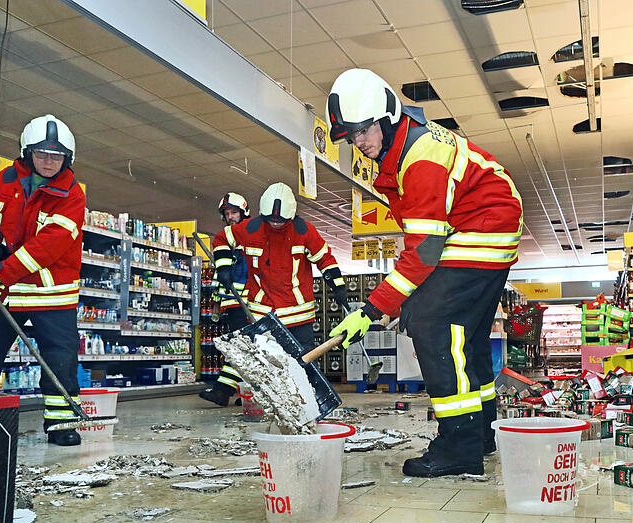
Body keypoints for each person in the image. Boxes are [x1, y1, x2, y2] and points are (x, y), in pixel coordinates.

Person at [326, 69, 523, 477]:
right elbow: (423, 240)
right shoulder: (403, 147)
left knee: (433, 323)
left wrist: (371, 308)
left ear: (386, 117)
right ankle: (481, 434)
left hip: (483, 229)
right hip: (482, 228)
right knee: (463, 337)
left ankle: (458, 448)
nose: (359, 143)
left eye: (363, 131)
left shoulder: (420, 159)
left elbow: (425, 252)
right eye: (351, 136)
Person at [0, 114, 86, 446]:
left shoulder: (72, 195)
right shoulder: (7, 179)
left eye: (57, 156)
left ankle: (62, 424)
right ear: (26, 152)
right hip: (3, 289)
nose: (49, 162)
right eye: (42, 154)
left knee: (59, 357)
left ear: (68, 158)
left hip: (49, 294)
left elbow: (47, 247)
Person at [211, 181, 348, 354]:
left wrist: (338, 286)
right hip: (263, 315)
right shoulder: (251, 228)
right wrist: (223, 267)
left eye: (280, 222)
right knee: (267, 368)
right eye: (271, 221)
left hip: (298, 317)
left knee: (303, 365)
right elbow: (222, 239)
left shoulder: (304, 231)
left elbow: (325, 259)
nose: (275, 224)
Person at [199, 192, 252, 407]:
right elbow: (221, 276)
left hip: (246, 303)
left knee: (240, 346)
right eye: (227, 213)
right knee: (244, 347)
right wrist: (216, 304)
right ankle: (247, 392)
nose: (230, 217)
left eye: (234, 212)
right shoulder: (226, 240)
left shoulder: (249, 236)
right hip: (232, 302)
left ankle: (223, 391)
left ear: (243, 212)